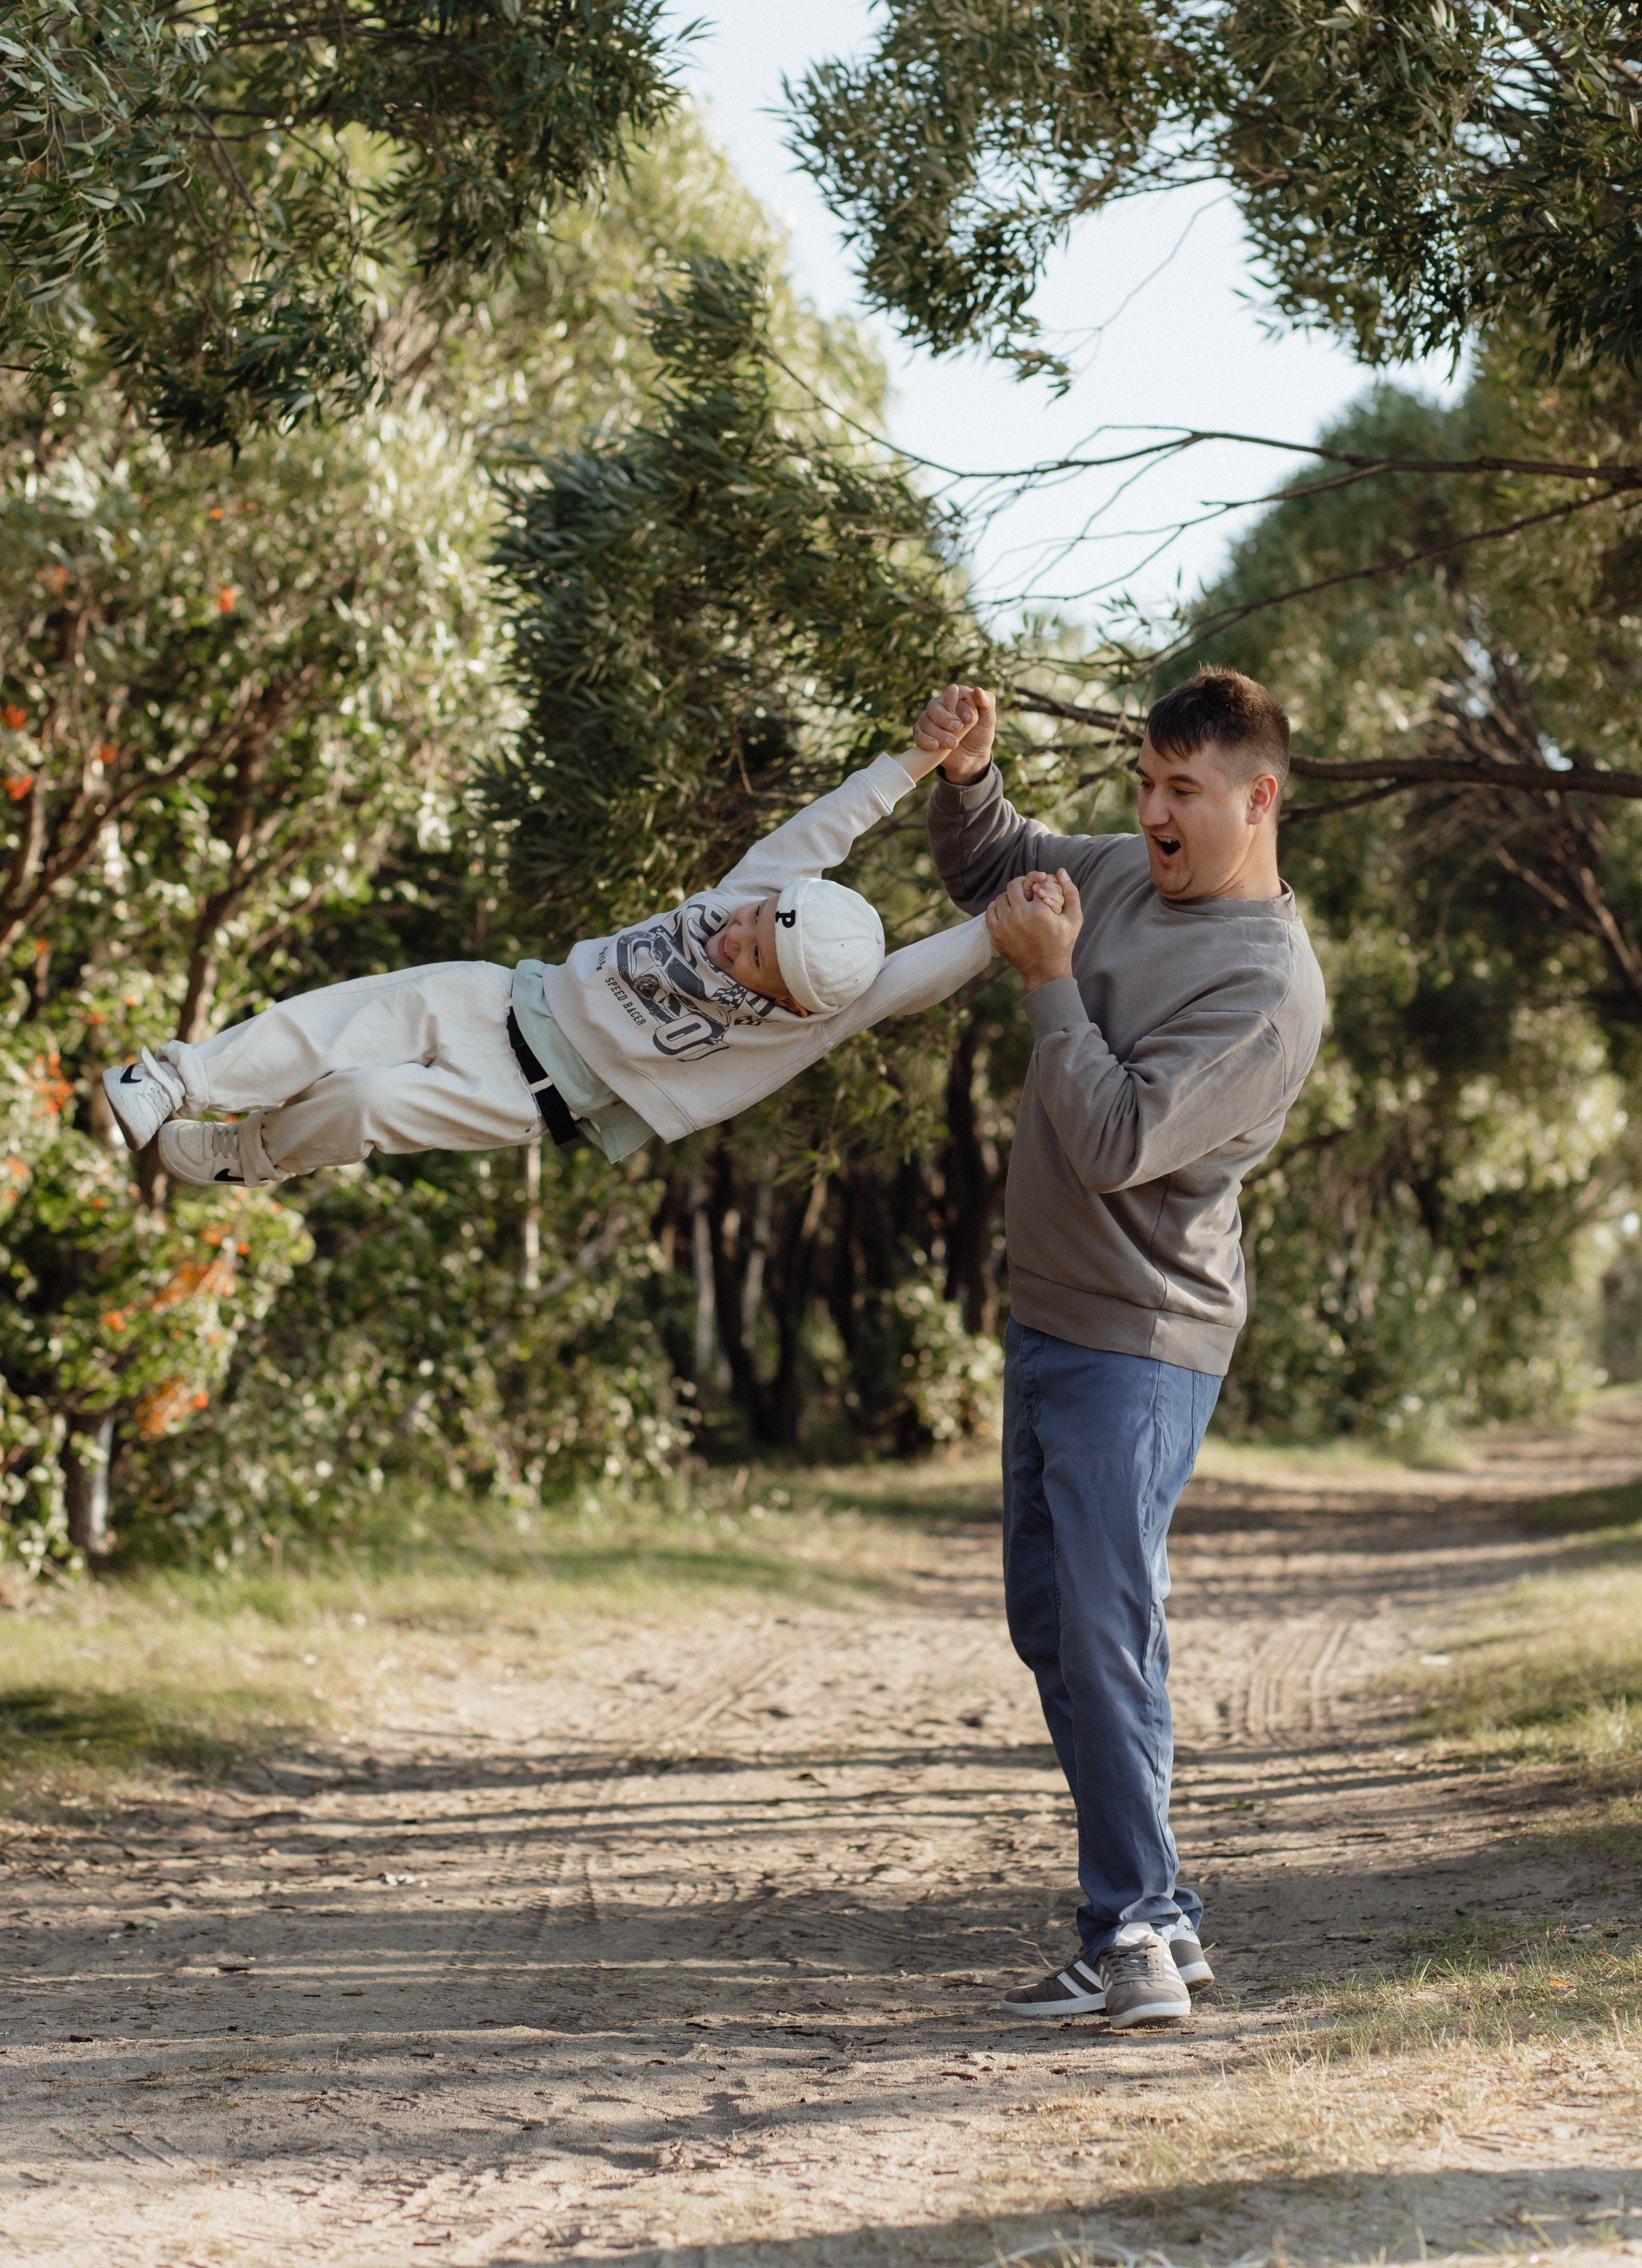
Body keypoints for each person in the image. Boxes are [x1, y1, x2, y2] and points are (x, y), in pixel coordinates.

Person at [920, 666, 1326, 2030]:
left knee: (1104, 1626)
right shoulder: (1119, 872)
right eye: (1144, 783)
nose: (1152, 813)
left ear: (1256, 800)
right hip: (1049, 1316)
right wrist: (969, 776)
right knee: (1055, 1624)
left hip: (1142, 1338)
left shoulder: (1265, 987)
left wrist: (1048, 981)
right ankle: (1156, 1920)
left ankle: (1139, 1928)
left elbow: (1109, 1143)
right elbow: (995, 864)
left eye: (1183, 791)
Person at [103, 703, 1037, 1187]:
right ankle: (173, 1081)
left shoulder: (796, 1028)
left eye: (753, 955)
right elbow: (832, 819)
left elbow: (908, 981)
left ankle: (245, 1154)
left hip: (528, 1096)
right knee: (333, 1026)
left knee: (365, 1101)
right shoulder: (759, 892)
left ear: (791, 1004)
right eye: (752, 921)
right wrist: (923, 758)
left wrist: (999, 927)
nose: (734, 935)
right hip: (506, 996)